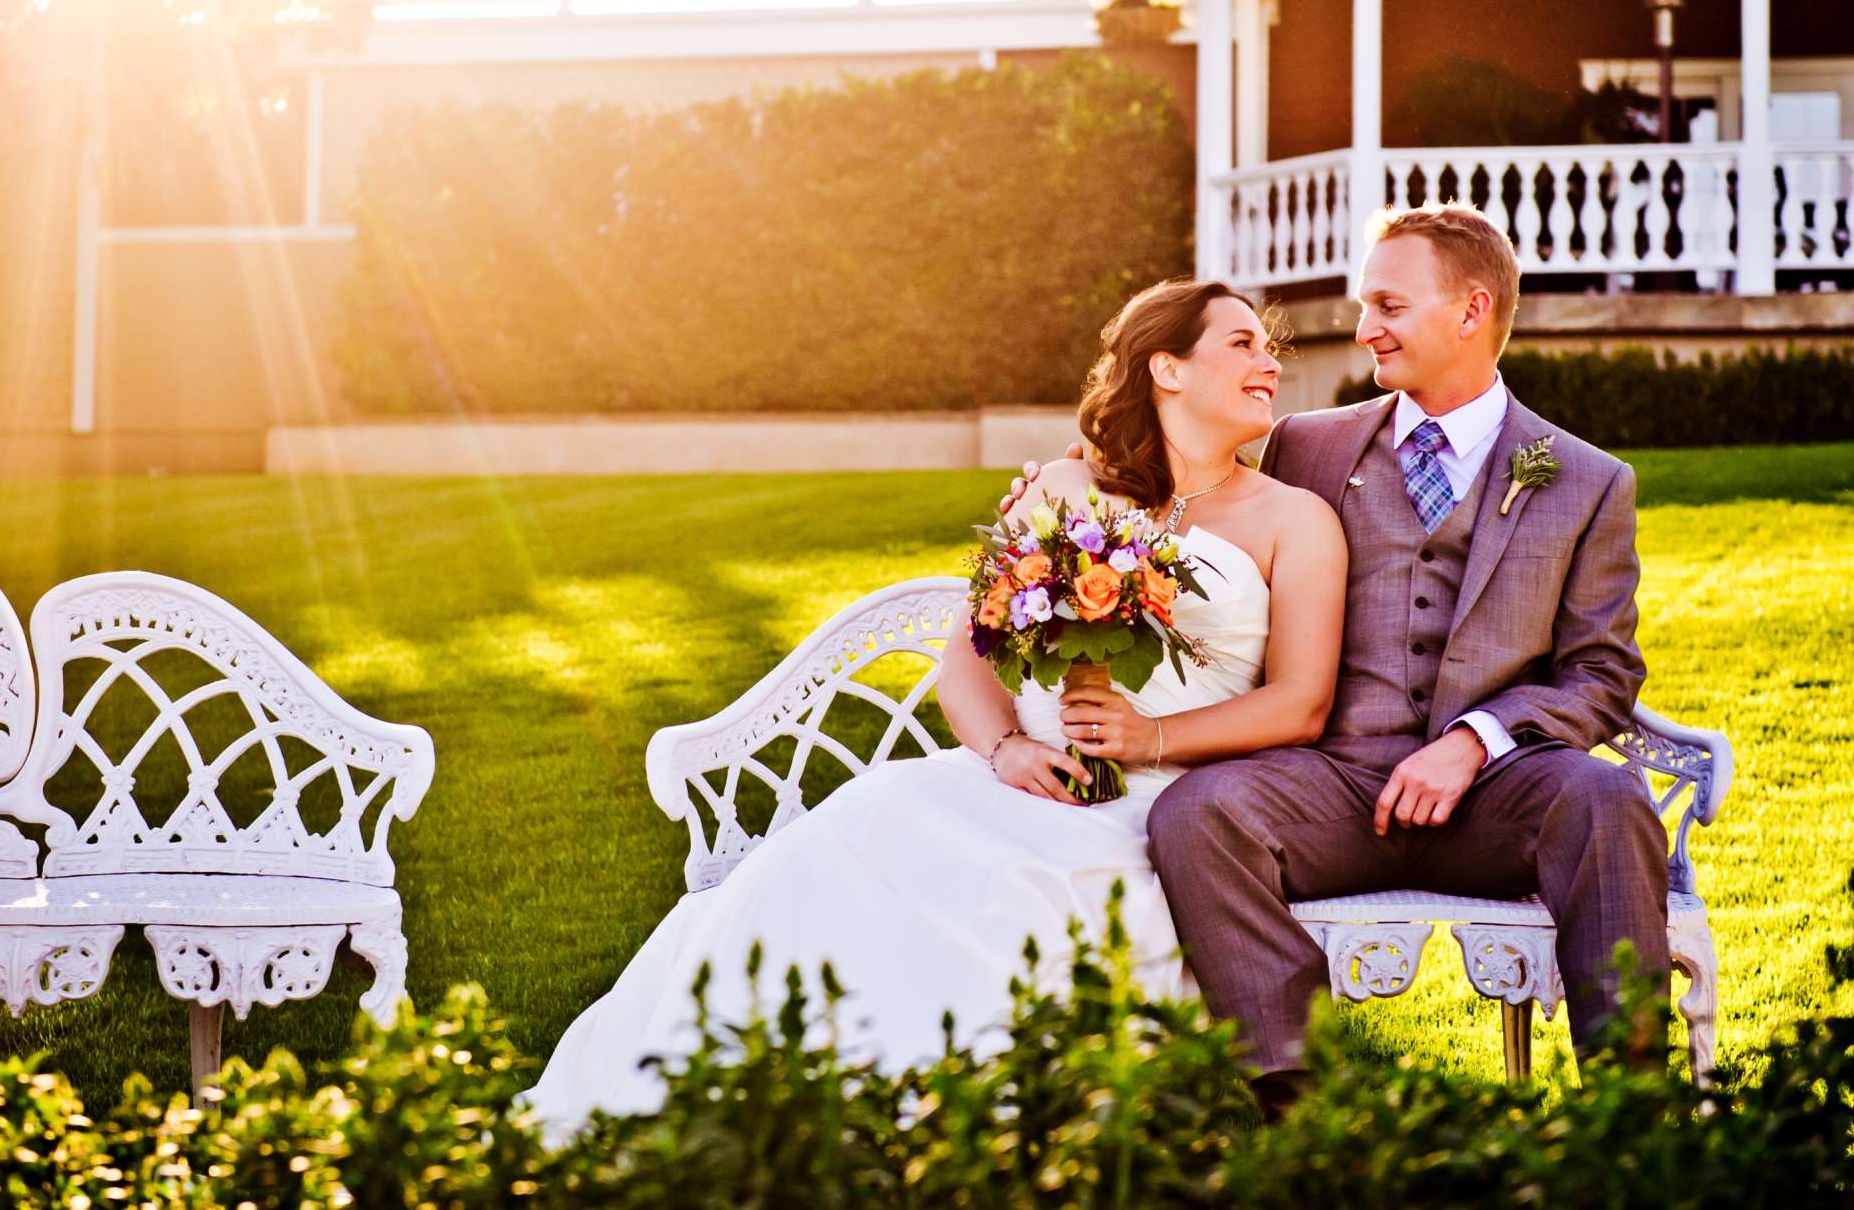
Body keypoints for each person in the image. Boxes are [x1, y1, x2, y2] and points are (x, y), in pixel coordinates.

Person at [518, 278, 1347, 1138]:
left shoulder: (1296, 520)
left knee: (1022, 891)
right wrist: (1006, 754)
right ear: (1167, 369)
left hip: (1161, 804)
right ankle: (732, 1102)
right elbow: (968, 659)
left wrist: (1153, 735)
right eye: (1242, 344)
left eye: (1269, 346)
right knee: (855, 831)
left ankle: (927, 1135)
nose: (1269, 363)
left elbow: (1302, 703)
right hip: (1022, 777)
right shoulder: (1062, 486)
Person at [1014, 204, 1667, 1115]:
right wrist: (1061, 505)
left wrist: (1476, 742)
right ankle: (1306, 1108)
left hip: (1502, 796)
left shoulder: (1588, 479)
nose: (1364, 330)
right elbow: (1181, 492)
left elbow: (1602, 675)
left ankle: (1633, 1117)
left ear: (1472, 311)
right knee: (1202, 816)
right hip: (1332, 786)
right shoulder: (1305, 447)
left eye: (1388, 307)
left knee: (1607, 798)